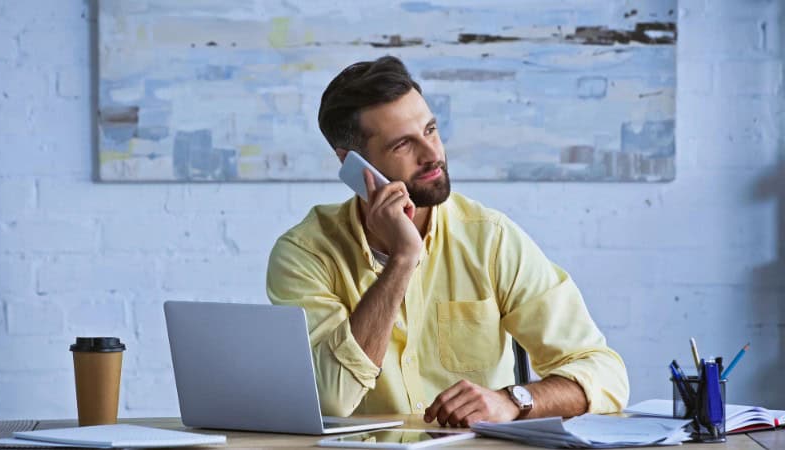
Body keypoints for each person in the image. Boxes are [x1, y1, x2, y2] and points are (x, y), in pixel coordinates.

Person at [266, 56, 629, 427]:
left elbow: (605, 372)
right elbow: (333, 398)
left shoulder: (490, 239)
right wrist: (403, 259)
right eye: (403, 145)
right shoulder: (305, 254)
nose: (432, 155)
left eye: (430, 130)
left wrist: (513, 400)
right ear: (352, 164)